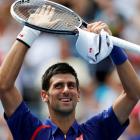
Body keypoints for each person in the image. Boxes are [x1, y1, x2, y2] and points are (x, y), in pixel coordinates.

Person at [0, 5, 140, 140]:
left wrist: (112, 46)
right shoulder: (31, 130)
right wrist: (31, 30)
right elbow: (4, 86)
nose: (66, 90)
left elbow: (133, 94)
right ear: (44, 95)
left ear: (78, 94)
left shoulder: (98, 130)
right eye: (58, 85)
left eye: (71, 85)